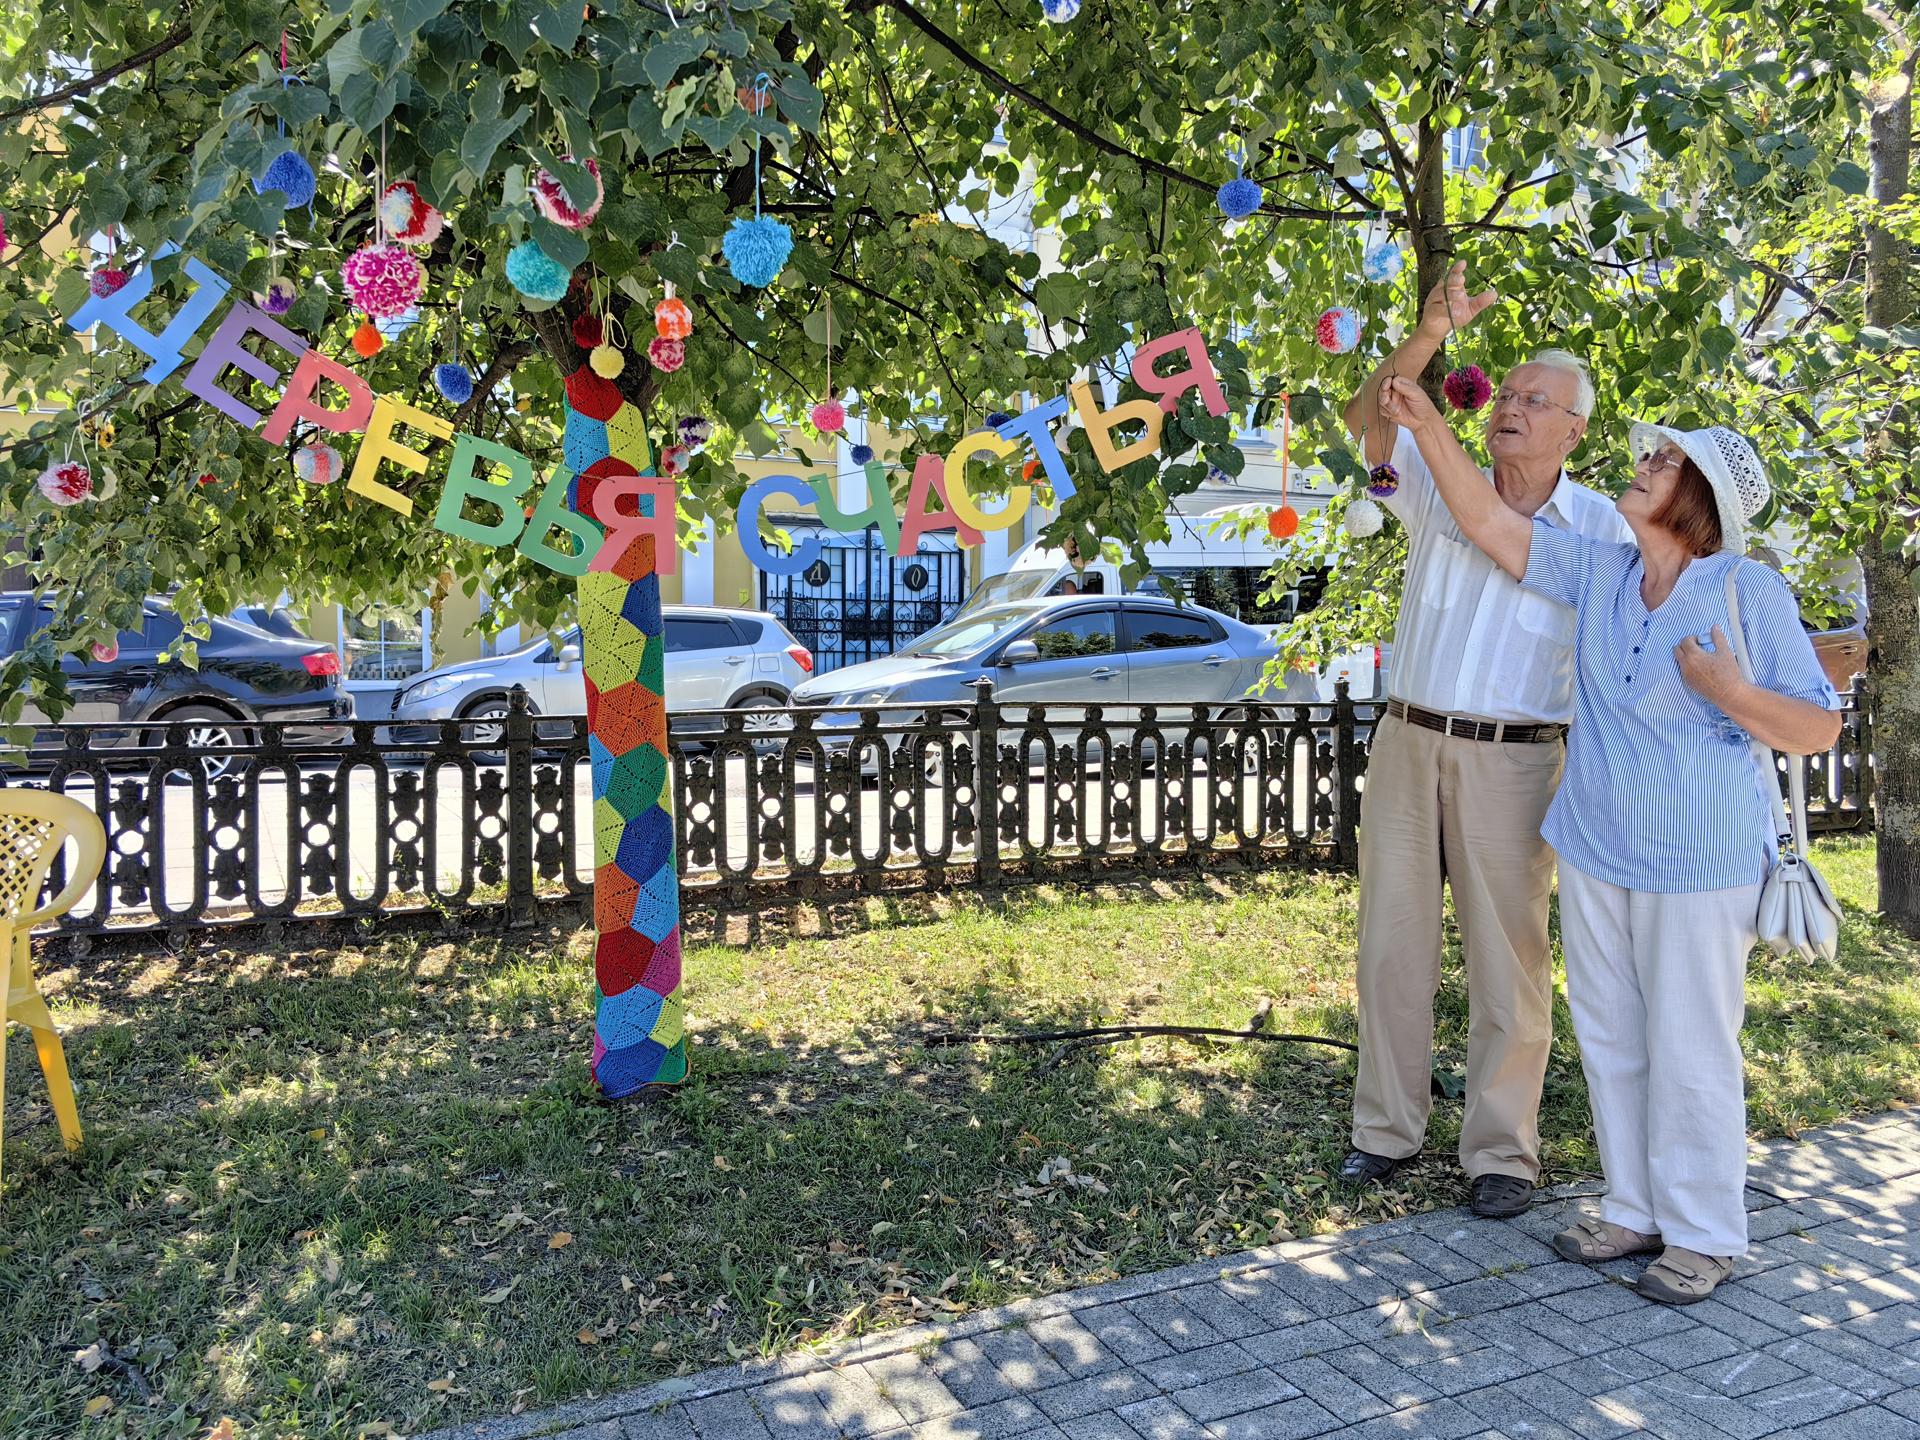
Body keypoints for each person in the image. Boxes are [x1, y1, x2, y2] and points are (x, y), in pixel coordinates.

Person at [1376, 368, 1840, 1304]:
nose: (1644, 463)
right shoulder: (1601, 569)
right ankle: (1632, 1209)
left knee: (1691, 1043)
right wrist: (1427, 425)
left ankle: (1705, 1231)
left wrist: (1733, 695)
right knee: (1613, 1036)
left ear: (1699, 502)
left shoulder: (1746, 590)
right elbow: (1487, 524)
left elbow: (1818, 726)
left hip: (1698, 861)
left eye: (1665, 462)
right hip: (1595, 844)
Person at [1338, 263, 1632, 1220]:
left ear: (1573, 429)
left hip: (1517, 759)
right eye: (1503, 392)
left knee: (1509, 957)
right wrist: (1427, 335)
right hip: (1408, 737)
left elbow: (1613, 640)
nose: (1508, 407)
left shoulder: (1598, 530)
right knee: (1390, 942)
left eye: (1532, 400)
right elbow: (1367, 426)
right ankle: (1386, 1131)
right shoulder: (1430, 480)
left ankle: (1502, 1152)